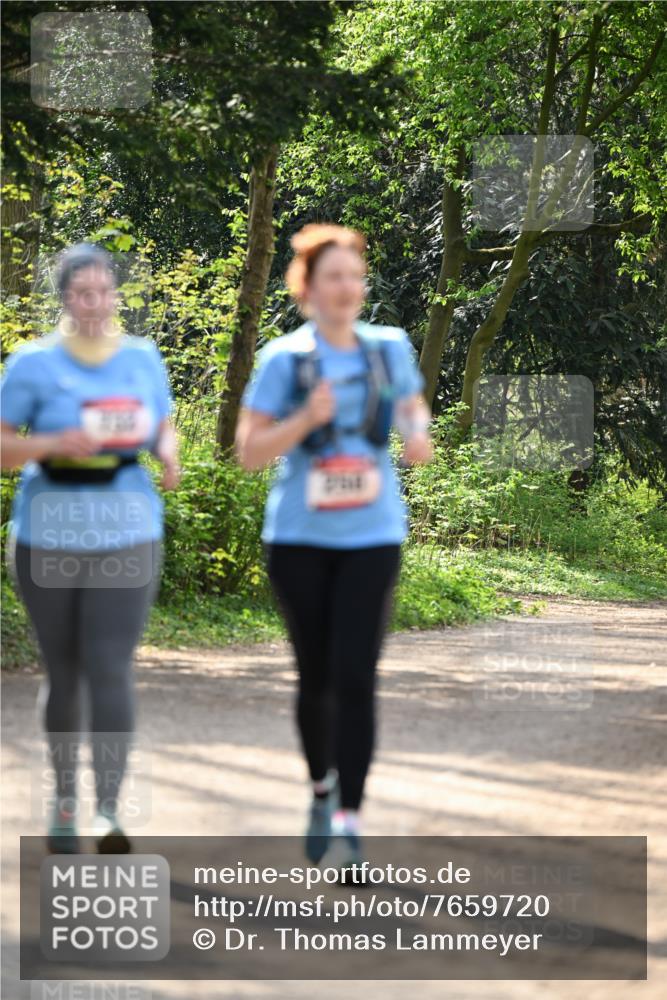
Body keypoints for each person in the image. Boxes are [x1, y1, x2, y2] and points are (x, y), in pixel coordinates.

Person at [235, 223, 433, 871]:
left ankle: (350, 821)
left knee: (356, 677)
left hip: (372, 536)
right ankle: (320, 790)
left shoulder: (389, 348)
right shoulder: (283, 360)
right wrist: (305, 418)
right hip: (298, 539)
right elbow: (249, 453)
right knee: (315, 676)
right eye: (333, 277)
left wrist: (417, 433)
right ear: (308, 290)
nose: (347, 287)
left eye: (354, 276)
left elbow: (411, 408)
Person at [1, 242, 180, 854]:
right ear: (65, 298)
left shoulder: (142, 358)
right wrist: (52, 443)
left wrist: (169, 454)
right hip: (46, 533)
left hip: (128, 531)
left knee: (110, 666)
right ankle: (63, 803)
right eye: (83, 293)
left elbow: (161, 426)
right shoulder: (32, 364)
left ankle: (106, 809)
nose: (95, 303)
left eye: (104, 291)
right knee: (64, 672)